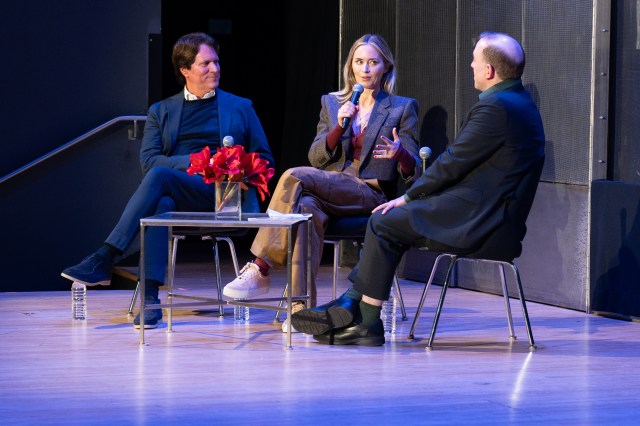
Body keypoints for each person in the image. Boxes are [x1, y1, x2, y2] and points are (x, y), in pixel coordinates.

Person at [291, 31, 546, 346]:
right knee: (386, 222)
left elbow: (453, 162)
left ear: (489, 70)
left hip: (481, 220)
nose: (470, 65)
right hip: (491, 215)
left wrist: (409, 196)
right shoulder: (519, 102)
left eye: (474, 60)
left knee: (383, 221)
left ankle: (363, 316)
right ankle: (355, 306)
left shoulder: (496, 108)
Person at [61, 32, 275, 329]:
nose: (214, 69)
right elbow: (149, 161)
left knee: (161, 179)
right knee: (161, 201)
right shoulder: (160, 111)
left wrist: (234, 167)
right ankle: (150, 300)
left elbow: (265, 159)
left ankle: (106, 256)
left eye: (216, 62)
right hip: (182, 191)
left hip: (223, 196)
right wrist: (200, 162)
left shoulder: (240, 107)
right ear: (185, 70)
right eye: (205, 64)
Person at [222, 34, 421, 332]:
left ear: (386, 67)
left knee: (294, 175)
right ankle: (301, 309)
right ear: (350, 66)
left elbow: (413, 170)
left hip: (369, 191)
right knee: (304, 209)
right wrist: (339, 126)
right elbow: (316, 157)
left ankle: (260, 266)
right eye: (359, 62)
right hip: (330, 187)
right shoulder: (332, 103)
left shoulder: (401, 107)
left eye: (373, 62)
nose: (365, 69)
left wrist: (400, 153)